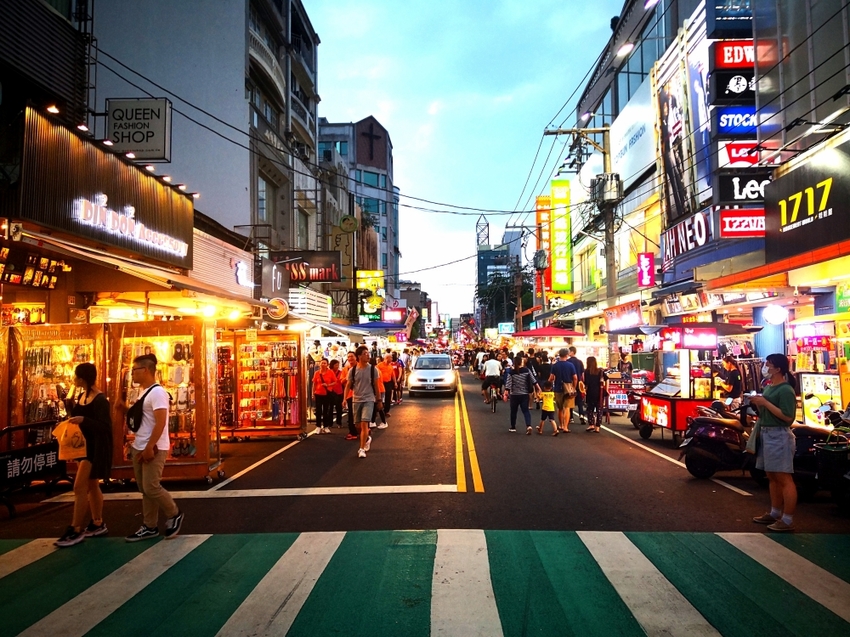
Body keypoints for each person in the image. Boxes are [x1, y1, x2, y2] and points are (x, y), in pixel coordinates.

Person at [121, 354, 184, 541]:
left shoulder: (157, 393)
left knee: (151, 486)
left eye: (135, 370)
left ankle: (174, 513)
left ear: (146, 370)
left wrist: (150, 446)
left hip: (153, 447)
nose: (132, 374)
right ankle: (150, 526)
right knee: (145, 488)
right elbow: (144, 420)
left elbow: (160, 422)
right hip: (140, 445)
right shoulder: (144, 392)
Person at [54, 363, 113, 547]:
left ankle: (76, 528)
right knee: (92, 485)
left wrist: (84, 420)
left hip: (93, 450)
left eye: (76, 376)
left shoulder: (100, 399)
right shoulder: (80, 395)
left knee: (79, 487)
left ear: (82, 378)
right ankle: (97, 522)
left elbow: (105, 427)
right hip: (82, 448)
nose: (73, 379)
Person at [749, 354, 798, 532]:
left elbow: (787, 417)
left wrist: (765, 403)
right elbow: (766, 414)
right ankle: (775, 512)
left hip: (779, 436)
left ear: (778, 369)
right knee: (772, 476)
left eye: (768, 365)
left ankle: (787, 519)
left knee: (784, 477)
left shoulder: (785, 390)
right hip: (767, 433)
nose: (765, 367)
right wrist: (758, 404)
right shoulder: (770, 387)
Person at [343, 345, 383, 458]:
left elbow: (376, 386)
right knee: (358, 425)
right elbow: (348, 385)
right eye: (365, 353)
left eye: (368, 353)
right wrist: (344, 399)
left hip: (369, 399)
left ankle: (361, 449)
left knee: (365, 423)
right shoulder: (353, 370)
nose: (368, 355)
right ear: (359, 356)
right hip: (356, 400)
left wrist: (379, 400)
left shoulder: (373, 369)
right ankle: (367, 438)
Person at [504, 355, 541, 434]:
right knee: (526, 411)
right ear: (521, 362)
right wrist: (539, 389)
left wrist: (505, 393)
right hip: (524, 394)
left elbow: (508, 385)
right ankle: (528, 425)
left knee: (513, 411)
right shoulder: (527, 370)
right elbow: (534, 381)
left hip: (514, 394)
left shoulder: (512, 372)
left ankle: (513, 427)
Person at [550, 348, 578, 432]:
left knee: (560, 408)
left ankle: (561, 425)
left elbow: (551, 378)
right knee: (567, 408)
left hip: (558, 388)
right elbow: (575, 378)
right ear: (567, 355)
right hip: (569, 388)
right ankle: (566, 427)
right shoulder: (570, 365)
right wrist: (574, 387)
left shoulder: (555, 365)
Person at [311, 358, 335, 434]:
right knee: (318, 411)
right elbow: (314, 384)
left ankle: (326, 426)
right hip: (318, 393)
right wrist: (313, 393)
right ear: (319, 364)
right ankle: (318, 426)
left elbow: (335, 382)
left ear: (327, 364)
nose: (323, 364)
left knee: (326, 411)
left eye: (325, 363)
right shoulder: (317, 373)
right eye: (322, 363)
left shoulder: (330, 372)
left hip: (327, 393)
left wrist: (328, 385)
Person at [583, 356, 605, 432]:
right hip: (599, 392)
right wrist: (606, 389)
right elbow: (606, 379)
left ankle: (591, 424)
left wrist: (584, 390)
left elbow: (586, 383)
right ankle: (598, 427)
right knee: (599, 409)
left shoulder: (587, 371)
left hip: (590, 392)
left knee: (590, 409)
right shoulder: (600, 371)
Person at [340, 352, 359, 440]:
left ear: (356, 357)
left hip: (360, 394)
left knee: (359, 414)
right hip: (350, 395)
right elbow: (341, 381)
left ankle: (362, 429)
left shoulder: (360, 367)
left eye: (352, 356)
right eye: (348, 357)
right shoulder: (345, 369)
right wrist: (348, 377)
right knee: (351, 414)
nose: (350, 358)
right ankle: (353, 432)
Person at [568, 346, 586, 425]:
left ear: (572, 352)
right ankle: (581, 414)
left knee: (570, 400)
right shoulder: (580, 362)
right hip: (579, 383)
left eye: (569, 351)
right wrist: (583, 383)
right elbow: (582, 374)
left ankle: (571, 417)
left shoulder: (568, 361)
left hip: (570, 383)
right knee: (579, 400)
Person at [328, 359, 345, 428]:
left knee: (339, 408)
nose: (337, 366)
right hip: (330, 391)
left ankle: (339, 422)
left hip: (339, 391)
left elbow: (342, 382)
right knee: (330, 408)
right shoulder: (329, 372)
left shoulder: (341, 372)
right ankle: (330, 423)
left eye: (338, 365)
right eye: (336, 365)